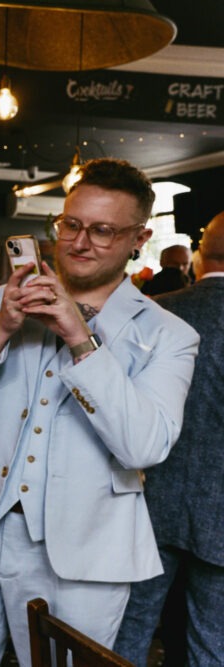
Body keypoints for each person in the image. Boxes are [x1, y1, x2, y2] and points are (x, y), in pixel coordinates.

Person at [0, 157, 199, 666]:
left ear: (138, 238)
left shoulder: (169, 334)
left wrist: (80, 339)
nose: (79, 242)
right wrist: (0, 329)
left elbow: (146, 445)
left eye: (101, 231)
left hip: (84, 556)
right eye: (70, 224)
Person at [114, 210, 224, 667]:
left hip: (148, 496)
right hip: (221, 510)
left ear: (198, 256)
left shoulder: (160, 310)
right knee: (212, 644)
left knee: (126, 632)